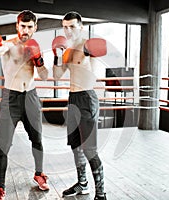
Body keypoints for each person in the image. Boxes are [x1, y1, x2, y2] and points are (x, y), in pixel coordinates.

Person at [0, 10, 49, 200]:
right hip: (11, 99)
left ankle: (39, 174)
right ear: (17, 26)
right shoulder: (9, 45)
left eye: (29, 27)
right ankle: (0, 188)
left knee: (38, 140)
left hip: (31, 97)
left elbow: (44, 76)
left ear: (35, 27)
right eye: (22, 26)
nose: (25, 30)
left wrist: (39, 60)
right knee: (3, 145)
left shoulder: (35, 46)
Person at [52, 11, 107, 200]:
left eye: (72, 27)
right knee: (75, 145)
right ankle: (82, 184)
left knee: (89, 149)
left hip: (87, 98)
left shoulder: (88, 45)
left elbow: (96, 75)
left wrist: (89, 54)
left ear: (81, 26)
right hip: (73, 99)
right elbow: (57, 76)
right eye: (65, 27)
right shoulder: (67, 50)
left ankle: (101, 193)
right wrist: (57, 56)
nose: (68, 31)